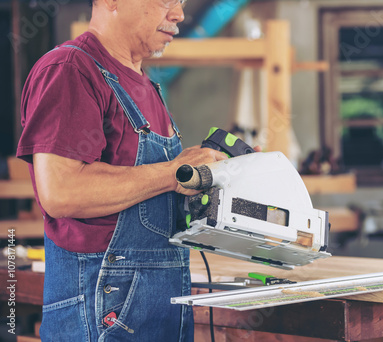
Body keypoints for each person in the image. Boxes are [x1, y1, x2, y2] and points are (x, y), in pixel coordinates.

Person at [16, 0, 229, 340]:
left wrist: (212, 178)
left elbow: (153, 198)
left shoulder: (146, 85)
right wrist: (173, 172)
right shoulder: (70, 69)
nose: (179, 15)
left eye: (182, 3)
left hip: (161, 309)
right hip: (101, 313)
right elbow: (61, 191)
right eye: (166, 1)